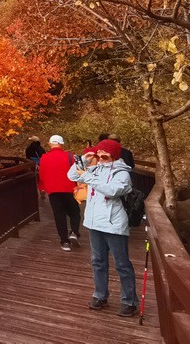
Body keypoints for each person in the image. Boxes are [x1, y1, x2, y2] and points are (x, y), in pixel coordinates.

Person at [68, 139, 138, 317]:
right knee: (98, 262)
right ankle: (100, 295)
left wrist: (88, 176)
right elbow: (72, 176)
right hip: (94, 224)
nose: (100, 157)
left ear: (113, 155)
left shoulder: (122, 174)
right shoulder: (95, 169)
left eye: (104, 154)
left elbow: (112, 190)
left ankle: (129, 301)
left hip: (114, 225)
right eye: (98, 154)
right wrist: (84, 161)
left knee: (122, 264)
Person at [37, 135, 81, 251]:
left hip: (53, 191)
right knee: (75, 212)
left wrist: (43, 188)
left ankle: (64, 241)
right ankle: (74, 232)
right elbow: (77, 172)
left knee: (59, 215)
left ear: (50, 144)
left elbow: (41, 175)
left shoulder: (44, 157)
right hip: (70, 189)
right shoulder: (70, 156)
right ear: (62, 144)